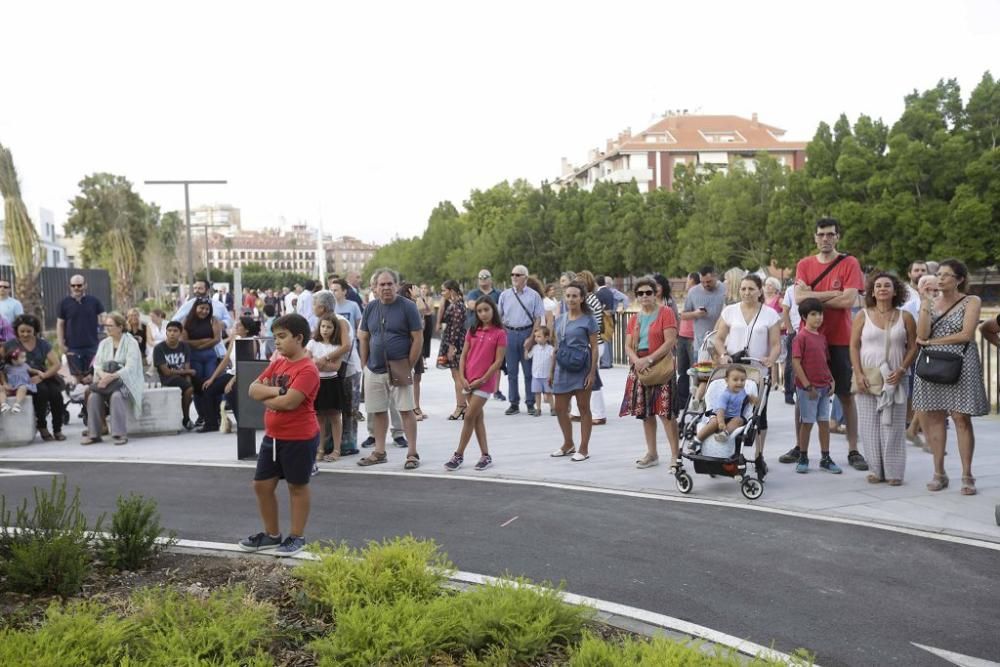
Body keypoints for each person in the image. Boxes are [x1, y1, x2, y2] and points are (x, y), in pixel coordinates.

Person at [784, 218, 869, 472]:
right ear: (815, 237)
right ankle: (801, 448)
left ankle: (853, 449)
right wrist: (833, 294)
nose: (825, 239)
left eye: (830, 234)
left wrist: (814, 296)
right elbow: (799, 298)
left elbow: (849, 300)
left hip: (839, 338)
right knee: (803, 394)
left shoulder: (849, 263)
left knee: (845, 394)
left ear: (837, 237)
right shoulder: (804, 264)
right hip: (808, 338)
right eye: (821, 235)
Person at [240, 313, 320, 557]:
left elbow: (288, 403)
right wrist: (277, 390)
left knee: (297, 486)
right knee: (261, 485)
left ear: (299, 338)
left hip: (299, 438)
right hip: (273, 437)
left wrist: (272, 398)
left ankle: (297, 537)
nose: (277, 342)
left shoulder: (307, 370)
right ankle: (272, 535)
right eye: (275, 337)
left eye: (282, 337)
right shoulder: (278, 363)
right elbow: (253, 389)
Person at [913, 259, 988, 496]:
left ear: (959, 279)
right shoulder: (931, 303)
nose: (941, 278)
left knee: (961, 418)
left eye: (946, 275)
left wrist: (931, 342)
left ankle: (967, 474)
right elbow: (921, 334)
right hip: (933, 363)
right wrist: (925, 302)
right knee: (934, 416)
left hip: (961, 363)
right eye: (939, 274)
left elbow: (966, 334)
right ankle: (939, 472)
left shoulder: (971, 301)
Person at [849, 272, 918, 485]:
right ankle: (876, 470)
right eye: (878, 286)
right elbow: (854, 345)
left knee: (893, 425)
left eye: (887, 285)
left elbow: (914, 345)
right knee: (869, 426)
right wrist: (858, 373)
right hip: (868, 376)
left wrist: (903, 368)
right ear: (872, 291)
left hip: (895, 376)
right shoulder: (863, 315)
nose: (882, 289)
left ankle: (894, 472)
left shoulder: (905, 316)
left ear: (895, 290)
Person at [357, 268, 424, 470]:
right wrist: (364, 365)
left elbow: (417, 338)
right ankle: (379, 451)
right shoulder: (370, 308)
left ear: (396, 285)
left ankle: (412, 452)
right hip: (374, 369)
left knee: (406, 410)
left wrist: (409, 365)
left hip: (399, 365)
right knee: (377, 411)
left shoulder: (408, 307)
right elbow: (364, 336)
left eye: (389, 284)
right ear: (375, 288)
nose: (386, 287)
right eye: (382, 284)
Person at [713, 274, 780, 476]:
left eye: (751, 289)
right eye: (743, 288)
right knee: (730, 411)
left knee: (759, 415)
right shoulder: (730, 311)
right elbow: (718, 338)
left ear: (760, 291)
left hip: (757, 371)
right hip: (734, 370)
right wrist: (723, 355)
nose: (746, 292)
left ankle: (759, 456)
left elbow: (776, 344)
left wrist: (771, 358)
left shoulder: (770, 314)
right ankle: (727, 455)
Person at [620, 277, 681, 469]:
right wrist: (637, 361)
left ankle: (675, 456)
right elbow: (628, 345)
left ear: (656, 294)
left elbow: (670, 341)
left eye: (648, 292)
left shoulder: (666, 312)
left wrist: (650, 359)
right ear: (636, 296)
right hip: (641, 368)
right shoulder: (634, 318)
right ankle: (652, 453)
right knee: (646, 413)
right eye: (640, 293)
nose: (644, 296)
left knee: (666, 413)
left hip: (661, 366)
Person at [443, 296, 507, 471]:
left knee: (469, 416)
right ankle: (485, 455)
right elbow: (463, 355)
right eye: (479, 311)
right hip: (468, 381)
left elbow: (498, 361)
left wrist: (483, 379)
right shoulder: (472, 330)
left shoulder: (500, 333)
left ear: (493, 310)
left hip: (484, 383)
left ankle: (459, 455)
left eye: (486, 309)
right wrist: (462, 378)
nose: (483, 314)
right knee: (477, 418)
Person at [549, 281, 600, 462]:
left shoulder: (589, 319)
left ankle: (583, 448)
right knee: (560, 408)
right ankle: (568, 443)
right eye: (568, 295)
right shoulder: (559, 319)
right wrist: (551, 370)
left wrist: (592, 373)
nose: (571, 299)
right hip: (562, 368)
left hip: (582, 368)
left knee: (584, 408)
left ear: (582, 298)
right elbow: (556, 347)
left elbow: (594, 348)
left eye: (574, 296)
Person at [791, 299, 840, 473]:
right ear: (804, 317)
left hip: (824, 387)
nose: (818, 317)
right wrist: (807, 385)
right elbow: (796, 363)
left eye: (820, 314)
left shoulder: (822, 338)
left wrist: (831, 379)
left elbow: (825, 361)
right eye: (813, 314)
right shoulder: (800, 338)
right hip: (808, 389)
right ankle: (803, 456)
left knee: (824, 422)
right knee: (807, 423)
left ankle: (825, 457)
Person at [81, 312, 144, 446]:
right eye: (106, 326)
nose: (107, 328)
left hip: (124, 381)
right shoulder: (104, 343)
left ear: (120, 327)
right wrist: (103, 375)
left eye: (111, 325)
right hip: (105, 380)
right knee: (93, 397)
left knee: (116, 396)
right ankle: (94, 434)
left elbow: (131, 367)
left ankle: (119, 434)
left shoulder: (131, 342)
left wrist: (112, 377)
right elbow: (97, 364)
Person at [5, 314, 65, 441]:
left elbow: (56, 364)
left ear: (35, 330)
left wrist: (43, 376)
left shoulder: (42, 344)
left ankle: (57, 429)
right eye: (22, 331)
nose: (25, 334)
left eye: (29, 331)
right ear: (16, 331)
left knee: (56, 394)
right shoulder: (10, 345)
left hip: (41, 374)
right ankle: (42, 426)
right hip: (21, 378)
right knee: (41, 392)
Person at [199, 316, 262, 433]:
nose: (235, 327)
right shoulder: (235, 338)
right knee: (208, 389)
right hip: (233, 372)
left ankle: (243, 425)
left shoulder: (252, 341)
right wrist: (212, 378)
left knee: (231, 392)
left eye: (239, 325)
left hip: (247, 374)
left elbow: (248, 365)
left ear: (246, 330)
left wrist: (232, 381)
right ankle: (211, 422)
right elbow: (226, 359)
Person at [498, 265, 545, 416]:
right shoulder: (505, 295)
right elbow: (499, 316)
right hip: (510, 333)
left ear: (525, 277)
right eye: (512, 274)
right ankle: (513, 403)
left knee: (529, 372)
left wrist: (532, 338)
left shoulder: (534, 296)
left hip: (527, 332)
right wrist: (504, 334)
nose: (514, 277)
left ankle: (530, 403)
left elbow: (538, 318)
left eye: (518, 275)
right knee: (511, 371)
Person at [57, 275, 106, 404]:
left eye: (79, 285)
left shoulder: (94, 301)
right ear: (70, 286)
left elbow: (104, 317)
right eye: (73, 285)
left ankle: (90, 404)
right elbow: (60, 324)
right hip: (73, 347)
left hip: (92, 346)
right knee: (77, 377)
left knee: (93, 376)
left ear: (85, 285)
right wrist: (60, 343)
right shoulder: (64, 303)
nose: (76, 288)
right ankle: (82, 402)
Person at [307, 313, 349, 462]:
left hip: (332, 383)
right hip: (317, 383)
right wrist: (321, 364)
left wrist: (320, 363)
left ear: (334, 329)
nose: (325, 329)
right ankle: (320, 448)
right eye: (323, 326)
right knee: (319, 418)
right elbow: (308, 361)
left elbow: (336, 367)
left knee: (335, 417)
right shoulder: (312, 343)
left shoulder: (337, 346)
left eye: (329, 327)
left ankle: (337, 449)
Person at [906, 274, 941, 448]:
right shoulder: (908, 308)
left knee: (926, 398)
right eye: (928, 289)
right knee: (924, 398)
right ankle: (928, 441)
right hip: (917, 358)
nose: (933, 293)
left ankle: (913, 430)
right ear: (919, 289)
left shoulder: (944, 307)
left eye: (936, 290)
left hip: (938, 357)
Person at [569, 271, 608, 425]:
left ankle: (599, 413)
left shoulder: (589, 301)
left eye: (579, 283)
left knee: (593, 379)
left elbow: (586, 324)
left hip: (592, 345)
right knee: (581, 379)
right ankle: (578, 411)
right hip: (588, 344)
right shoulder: (589, 299)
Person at [182, 297, 224, 426]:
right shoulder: (186, 321)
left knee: (212, 384)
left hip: (210, 356)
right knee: (198, 386)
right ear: (195, 308)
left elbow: (217, 338)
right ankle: (202, 416)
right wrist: (202, 342)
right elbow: (184, 341)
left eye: (207, 309)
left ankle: (216, 414)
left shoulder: (214, 320)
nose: (204, 311)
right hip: (194, 357)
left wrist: (201, 345)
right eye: (201, 308)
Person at [465, 269, 506, 401]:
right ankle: (472, 381)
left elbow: (502, 308)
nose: (483, 279)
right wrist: (491, 305)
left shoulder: (499, 293)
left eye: (486, 277)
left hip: (493, 333)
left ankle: (496, 389)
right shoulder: (473, 293)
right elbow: (471, 305)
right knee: (473, 357)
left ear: (491, 279)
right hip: (476, 332)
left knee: (496, 361)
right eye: (480, 277)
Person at [694, 365, 759, 445]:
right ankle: (697, 439)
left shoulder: (742, 392)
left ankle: (724, 434)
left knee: (738, 420)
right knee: (714, 422)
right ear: (727, 381)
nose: (739, 382)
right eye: (735, 380)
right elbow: (720, 410)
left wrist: (753, 399)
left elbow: (746, 398)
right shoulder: (725, 395)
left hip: (734, 417)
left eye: (742, 380)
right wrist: (721, 422)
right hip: (719, 415)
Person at [171, 279, 233, 360]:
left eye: (200, 288)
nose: (196, 291)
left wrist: (222, 324)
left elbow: (229, 320)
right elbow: (175, 321)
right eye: (195, 288)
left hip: (216, 348)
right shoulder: (188, 305)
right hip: (193, 349)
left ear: (207, 290)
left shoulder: (219, 305)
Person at [153, 321, 197, 430]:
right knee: (189, 389)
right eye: (169, 331)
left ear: (180, 333)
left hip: (182, 377)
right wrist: (188, 373)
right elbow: (166, 372)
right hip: (168, 379)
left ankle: (205, 417)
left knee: (200, 386)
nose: (172, 333)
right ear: (166, 332)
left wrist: (188, 378)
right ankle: (186, 419)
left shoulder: (184, 346)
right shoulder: (159, 348)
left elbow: (187, 367)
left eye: (175, 331)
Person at [438, 280, 469, 420]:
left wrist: (451, 347)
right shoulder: (457, 304)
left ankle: (461, 406)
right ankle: (463, 405)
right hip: (456, 342)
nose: (442, 293)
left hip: (455, 344)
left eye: (444, 290)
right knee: (457, 376)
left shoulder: (457, 306)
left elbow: (456, 328)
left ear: (451, 291)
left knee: (457, 376)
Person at [682, 266, 726, 361]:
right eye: (702, 282)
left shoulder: (724, 288)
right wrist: (695, 314)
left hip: (722, 345)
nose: (706, 284)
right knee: (700, 375)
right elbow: (683, 315)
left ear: (716, 277)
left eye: (709, 281)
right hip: (700, 346)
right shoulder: (693, 292)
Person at [675, 272, 701, 409]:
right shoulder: (690, 294)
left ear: (692, 280)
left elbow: (688, 314)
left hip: (692, 336)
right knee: (683, 370)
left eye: (687, 279)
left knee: (693, 371)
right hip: (683, 335)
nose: (686, 282)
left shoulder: (697, 293)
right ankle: (682, 399)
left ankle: (694, 399)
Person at [526, 326, 555, 416]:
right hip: (536, 376)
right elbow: (527, 357)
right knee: (537, 393)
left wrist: (551, 373)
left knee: (548, 393)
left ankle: (553, 408)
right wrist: (526, 348)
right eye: (535, 336)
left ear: (546, 337)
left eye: (539, 336)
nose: (536, 339)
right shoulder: (534, 348)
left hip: (546, 376)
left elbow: (554, 360)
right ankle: (538, 409)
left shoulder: (550, 349)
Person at [0, 347, 34, 415]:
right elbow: (2, 373)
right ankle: (3, 404)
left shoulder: (25, 365)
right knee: (0, 388)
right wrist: (5, 384)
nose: (25, 359)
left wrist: (39, 373)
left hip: (20, 386)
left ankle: (17, 404)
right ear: (13, 360)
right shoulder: (7, 367)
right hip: (10, 387)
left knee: (23, 388)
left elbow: (32, 370)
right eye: (22, 357)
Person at [416, 284, 435, 361]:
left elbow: (429, 309)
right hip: (419, 318)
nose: (423, 290)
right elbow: (419, 309)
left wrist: (423, 303)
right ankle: (419, 356)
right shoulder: (417, 299)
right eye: (422, 288)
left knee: (427, 338)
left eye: (425, 288)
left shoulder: (430, 299)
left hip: (428, 318)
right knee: (420, 338)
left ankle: (425, 358)